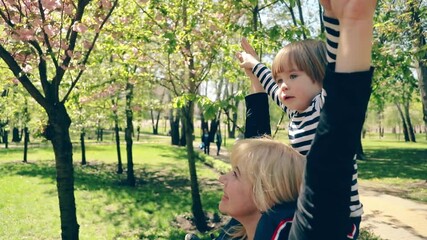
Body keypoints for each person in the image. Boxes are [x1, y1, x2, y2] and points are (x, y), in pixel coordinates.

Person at [217, 0, 376, 239]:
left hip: (338, 214)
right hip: (306, 202)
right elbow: (270, 86)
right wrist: (253, 67)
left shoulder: (323, 105)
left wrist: (334, 19)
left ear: (320, 79)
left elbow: (339, 75)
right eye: (280, 80)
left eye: (293, 76)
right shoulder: (294, 111)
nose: (284, 86)